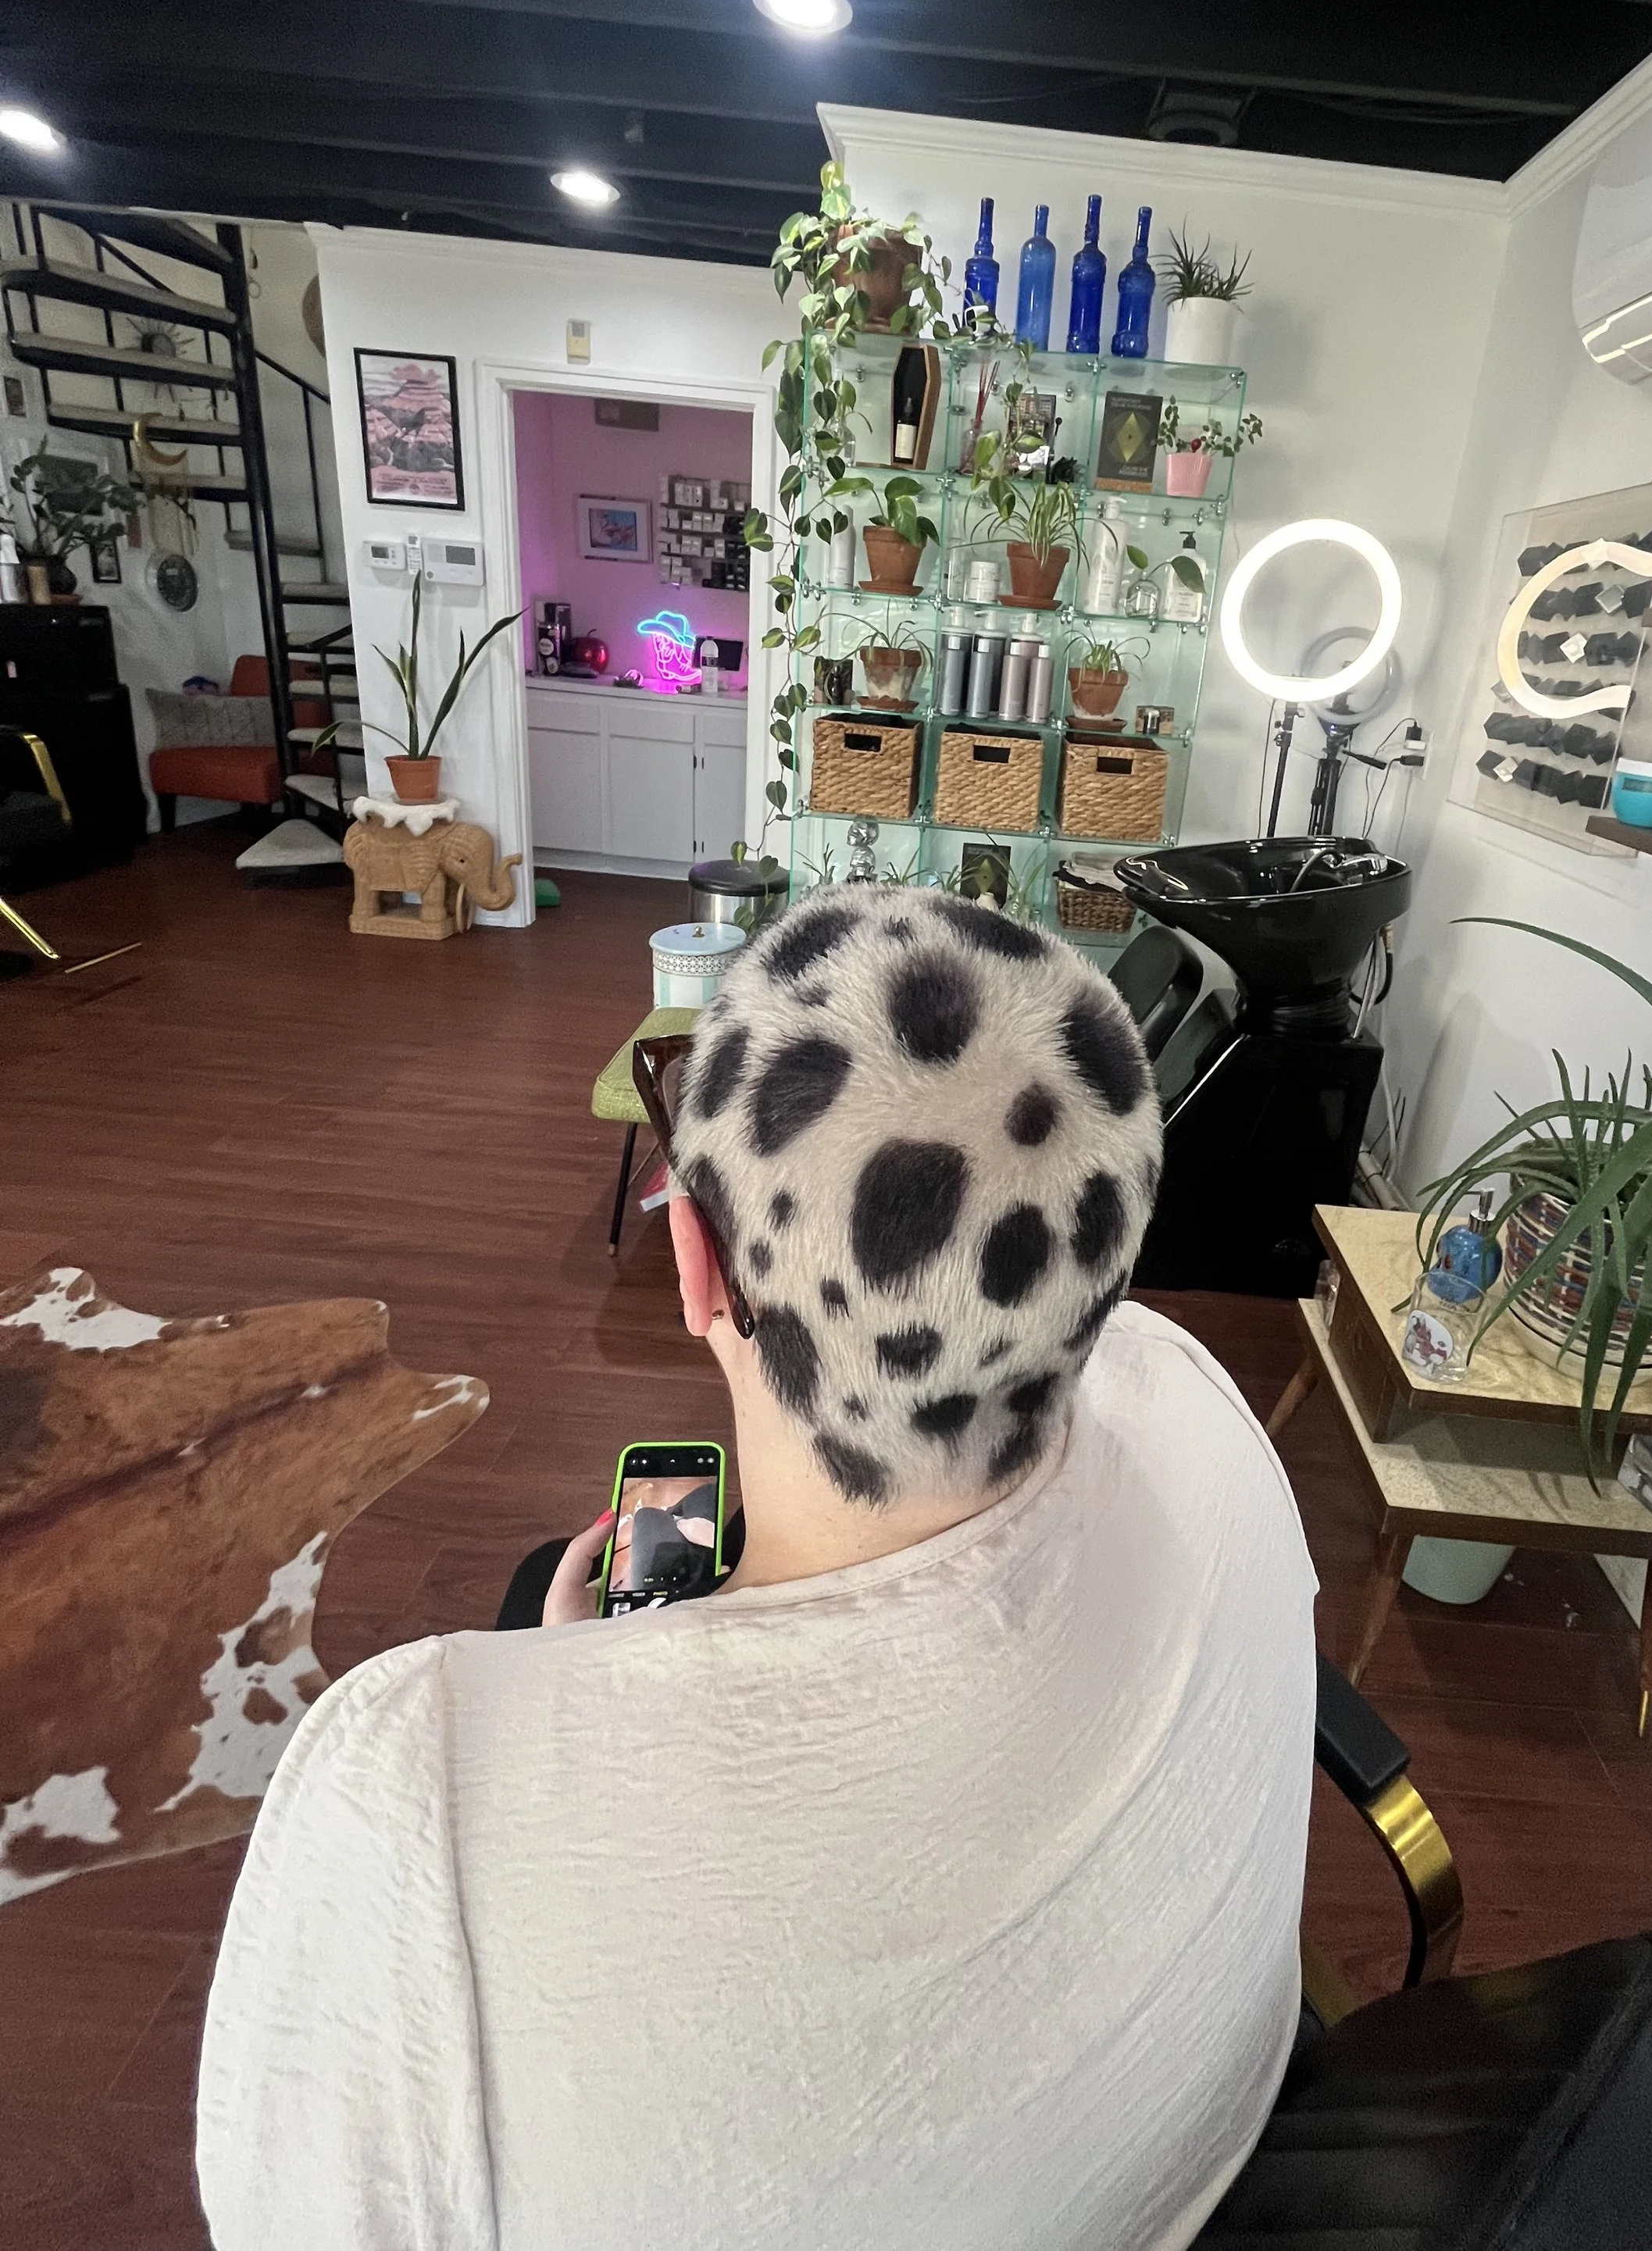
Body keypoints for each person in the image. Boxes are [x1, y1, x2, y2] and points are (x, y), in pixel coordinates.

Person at [198, 887, 1318, 2251]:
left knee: (545, 1580)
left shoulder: (407, 1786)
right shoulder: (1196, 1401)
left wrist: (567, 1691)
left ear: (696, 1263)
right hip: (1213, 2162)